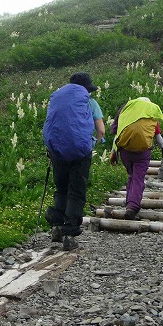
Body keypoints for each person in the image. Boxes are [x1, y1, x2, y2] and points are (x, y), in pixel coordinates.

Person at [42, 72, 105, 251]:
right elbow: (101, 130)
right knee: (76, 191)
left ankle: (56, 226)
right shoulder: (91, 103)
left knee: (61, 188)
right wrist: (92, 143)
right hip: (81, 152)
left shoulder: (59, 101)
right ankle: (69, 234)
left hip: (58, 151)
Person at [109, 97, 163, 220]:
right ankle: (133, 206)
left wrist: (113, 151)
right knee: (138, 178)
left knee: (132, 175)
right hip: (142, 153)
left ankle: (129, 202)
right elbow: (160, 141)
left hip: (125, 150)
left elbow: (116, 132)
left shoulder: (125, 109)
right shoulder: (150, 113)